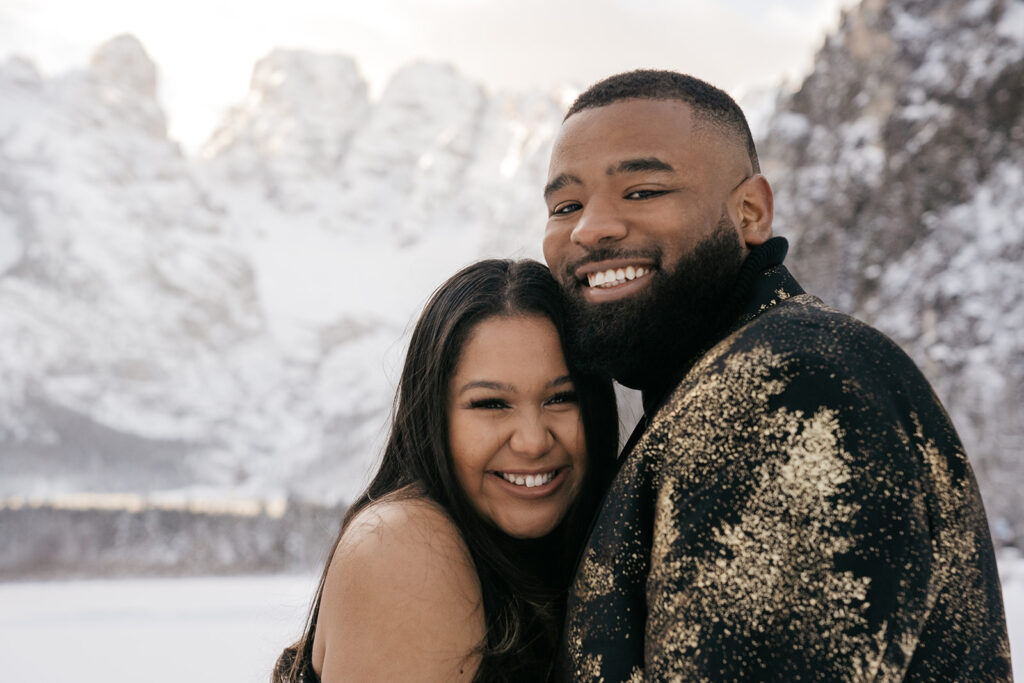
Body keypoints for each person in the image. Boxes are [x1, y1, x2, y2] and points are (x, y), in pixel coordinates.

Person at [541, 70, 1012, 681]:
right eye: (565, 206)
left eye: (643, 191)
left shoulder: (782, 388)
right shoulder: (726, 377)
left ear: (751, 212)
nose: (590, 227)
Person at [273, 259, 618, 682]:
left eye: (561, 398)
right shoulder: (403, 544)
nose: (533, 440)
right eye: (491, 404)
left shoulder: (548, 554)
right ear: (433, 419)